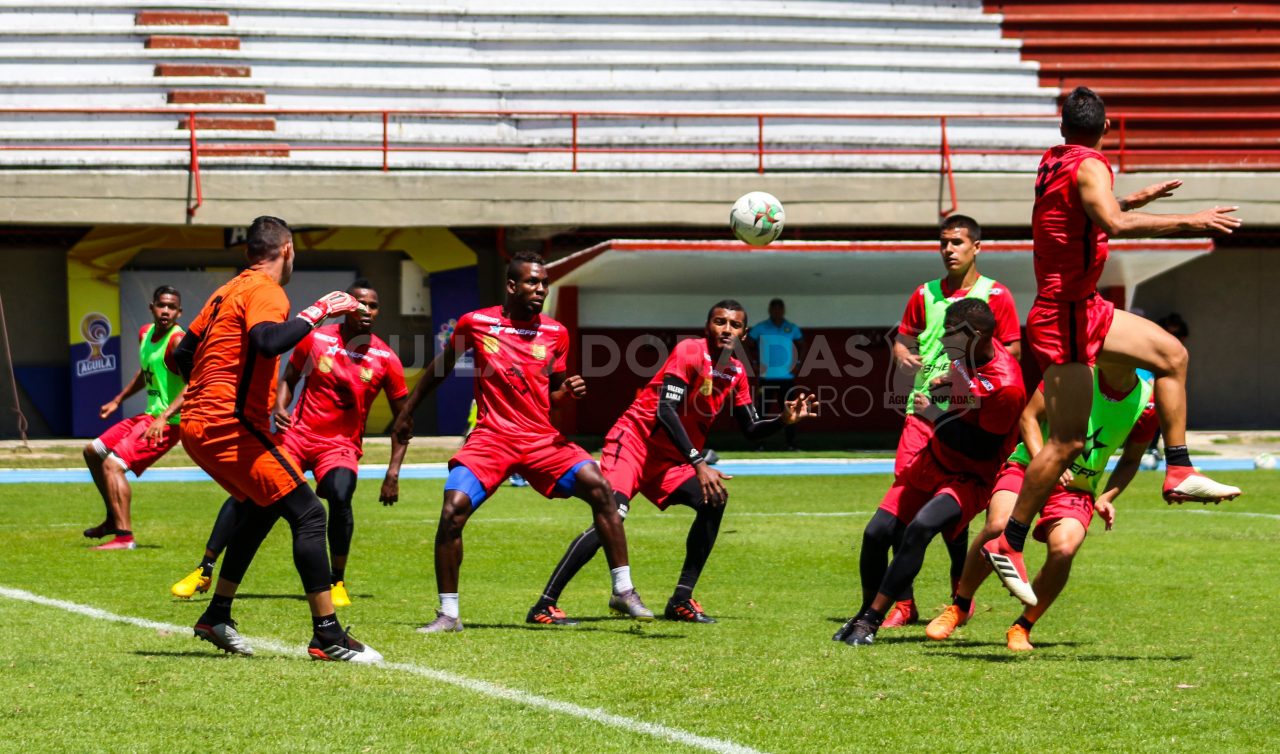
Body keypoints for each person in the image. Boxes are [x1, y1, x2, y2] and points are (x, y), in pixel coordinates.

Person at [981, 86, 1241, 607]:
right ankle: (1008, 541)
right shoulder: (1093, 164)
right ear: (1104, 129)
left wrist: (1133, 199)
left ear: (1062, 130)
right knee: (1069, 442)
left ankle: (1179, 469)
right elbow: (1111, 222)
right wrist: (1191, 220)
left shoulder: (1054, 160)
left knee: (1171, 357)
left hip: (1081, 309)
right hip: (1068, 314)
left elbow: (1086, 214)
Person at [391, 251, 649, 633]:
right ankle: (448, 615)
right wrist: (407, 411)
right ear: (512, 286)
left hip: (541, 439)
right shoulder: (475, 323)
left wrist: (570, 390)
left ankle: (623, 590)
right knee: (452, 512)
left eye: (543, 283)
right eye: (532, 282)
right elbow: (440, 368)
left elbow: (555, 394)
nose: (540, 289)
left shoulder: (555, 333)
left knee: (601, 488)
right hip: (492, 438)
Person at [526, 300, 818, 626]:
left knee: (715, 499)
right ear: (708, 326)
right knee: (613, 516)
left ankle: (681, 599)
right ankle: (545, 604)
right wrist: (698, 462)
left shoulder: (736, 372)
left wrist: (782, 419)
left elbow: (750, 428)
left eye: (735, 325)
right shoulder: (690, 352)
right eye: (720, 322)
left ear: (745, 334)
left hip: (669, 459)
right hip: (634, 444)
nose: (727, 329)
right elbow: (666, 410)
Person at [172, 215, 380, 662]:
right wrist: (320, 309)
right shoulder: (268, 291)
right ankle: (327, 634)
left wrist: (212, 389)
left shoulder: (227, 290)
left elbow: (182, 354)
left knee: (261, 510)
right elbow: (267, 342)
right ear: (287, 250)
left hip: (200, 425)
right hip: (229, 425)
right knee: (309, 515)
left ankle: (217, 615)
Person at [169, 279, 408, 606]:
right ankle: (204, 567)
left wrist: (393, 471)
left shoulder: (386, 357)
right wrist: (281, 406)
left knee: (340, 495)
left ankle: (337, 581)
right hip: (296, 437)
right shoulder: (317, 338)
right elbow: (290, 380)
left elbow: (404, 420)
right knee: (249, 494)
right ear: (346, 306)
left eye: (374, 305)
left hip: (339, 446)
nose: (367, 310)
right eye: (359, 303)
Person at [926, 362, 1157, 651]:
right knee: (998, 526)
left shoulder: (1147, 403)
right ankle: (959, 606)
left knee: (1064, 549)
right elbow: (1029, 418)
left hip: (1075, 488)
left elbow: (1132, 459)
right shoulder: (1073, 374)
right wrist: (1046, 461)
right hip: (1027, 467)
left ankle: (1023, 626)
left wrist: (1107, 496)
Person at [834, 299, 1026, 646]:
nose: (944, 341)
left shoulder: (1007, 385)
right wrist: (948, 382)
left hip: (970, 476)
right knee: (876, 533)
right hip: (933, 457)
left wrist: (934, 415)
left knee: (921, 528)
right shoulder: (966, 354)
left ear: (978, 335)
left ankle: (871, 622)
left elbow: (981, 448)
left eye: (951, 333)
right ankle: (865, 612)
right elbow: (966, 386)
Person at [883, 214, 1022, 626]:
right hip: (921, 412)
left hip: (966, 416)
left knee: (950, 511)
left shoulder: (996, 294)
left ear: (976, 247)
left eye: (957, 242)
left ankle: (959, 591)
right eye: (943, 242)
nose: (949, 249)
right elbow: (904, 337)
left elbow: (1010, 350)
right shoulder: (923, 293)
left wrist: (968, 381)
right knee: (901, 508)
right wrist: (902, 354)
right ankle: (903, 603)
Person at [82, 285, 185, 551]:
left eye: (172, 307)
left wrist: (165, 416)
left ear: (179, 312)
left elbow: (194, 384)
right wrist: (118, 399)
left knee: (113, 465)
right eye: (162, 305)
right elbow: (145, 372)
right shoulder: (145, 333)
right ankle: (112, 520)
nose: (166, 311)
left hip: (168, 424)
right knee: (93, 451)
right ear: (152, 307)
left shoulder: (177, 342)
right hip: (148, 417)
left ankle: (125, 538)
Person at [747, 298, 804, 450]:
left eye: (780, 309)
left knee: (790, 412)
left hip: (787, 377)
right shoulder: (760, 327)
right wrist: (754, 363)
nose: (777, 311)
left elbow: (801, 346)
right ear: (770, 310)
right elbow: (747, 344)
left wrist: (798, 364)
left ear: (783, 310)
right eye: (774, 309)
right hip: (766, 377)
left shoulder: (791, 328)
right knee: (762, 411)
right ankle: (758, 444)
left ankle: (791, 444)